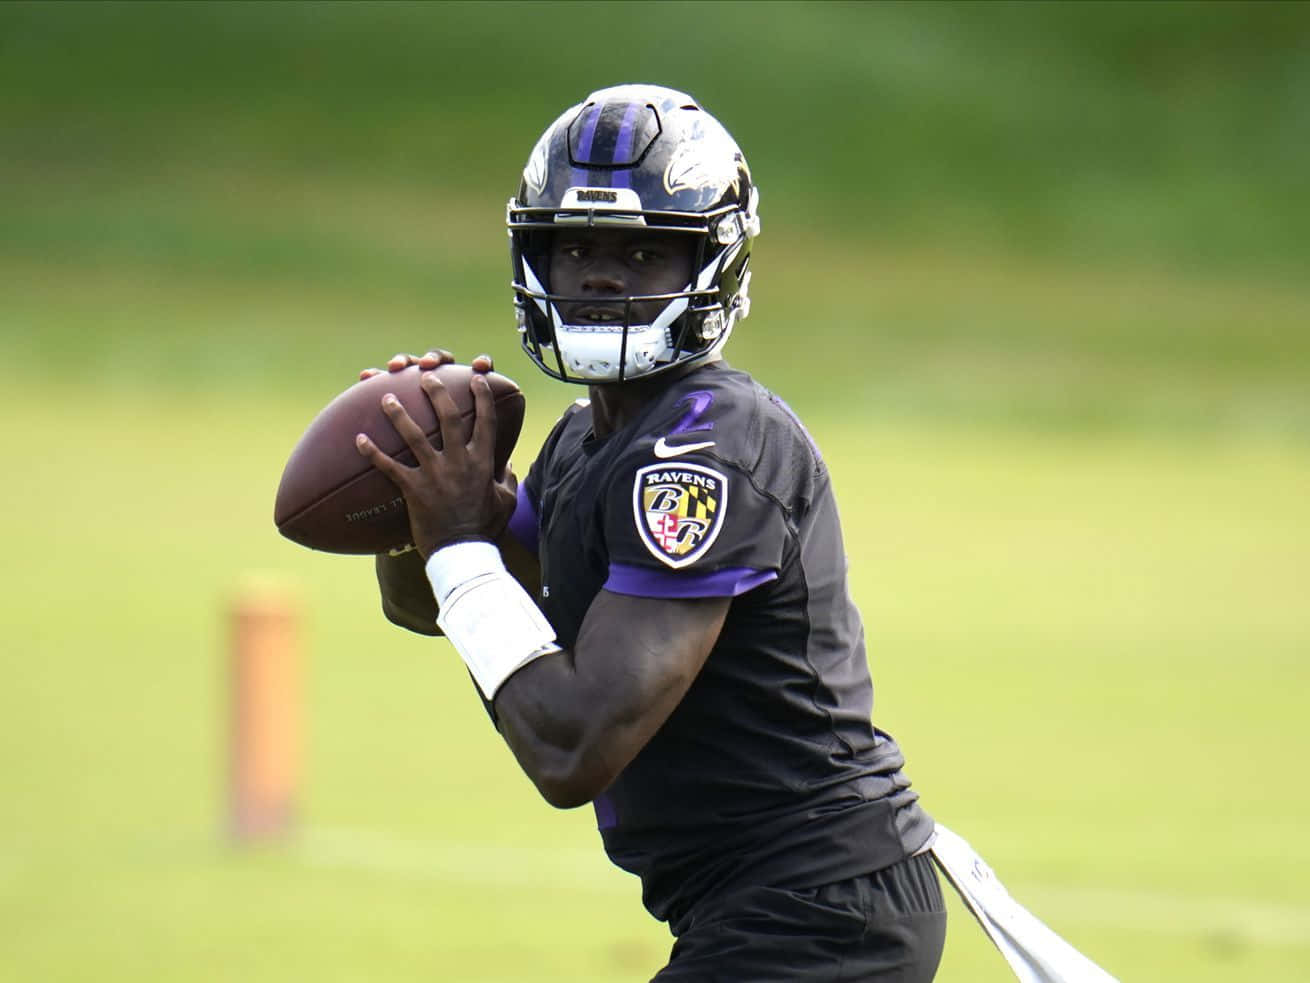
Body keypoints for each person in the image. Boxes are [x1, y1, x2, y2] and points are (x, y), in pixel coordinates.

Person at [355, 84, 947, 982]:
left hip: (820, 908)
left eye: (642, 252)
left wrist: (456, 543)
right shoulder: (581, 441)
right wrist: (411, 483)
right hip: (765, 905)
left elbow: (572, 746)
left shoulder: (709, 443)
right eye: (576, 246)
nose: (599, 274)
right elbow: (432, 605)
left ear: (713, 265)